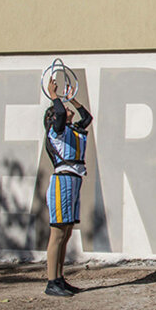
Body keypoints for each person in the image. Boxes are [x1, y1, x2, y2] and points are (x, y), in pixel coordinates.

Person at [43, 79, 92, 298]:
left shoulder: (73, 131)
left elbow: (87, 118)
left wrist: (72, 98)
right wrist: (54, 96)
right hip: (62, 181)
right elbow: (61, 114)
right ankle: (51, 281)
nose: (66, 109)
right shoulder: (58, 131)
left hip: (74, 181)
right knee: (58, 232)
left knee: (67, 232)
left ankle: (59, 278)